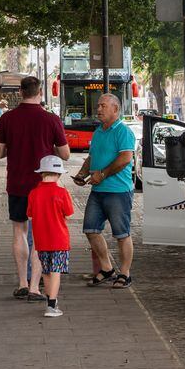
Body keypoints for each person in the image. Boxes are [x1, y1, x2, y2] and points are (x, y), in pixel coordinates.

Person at [0, 76, 70, 300]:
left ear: (20, 91)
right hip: (44, 185)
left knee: (20, 231)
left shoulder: (8, 118)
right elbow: (65, 154)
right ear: (40, 91)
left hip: (17, 183)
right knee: (39, 235)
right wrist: (47, 147)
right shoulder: (51, 119)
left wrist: (16, 146)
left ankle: (22, 283)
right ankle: (36, 287)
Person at [73, 94, 135, 289]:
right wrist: (82, 173)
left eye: (103, 106)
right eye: (98, 105)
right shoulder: (99, 132)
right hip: (98, 190)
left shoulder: (123, 131)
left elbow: (125, 158)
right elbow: (92, 157)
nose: (98, 109)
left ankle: (125, 273)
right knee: (91, 230)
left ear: (115, 109)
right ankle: (107, 268)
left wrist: (103, 174)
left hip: (118, 191)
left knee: (121, 233)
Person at [27, 155, 74, 318]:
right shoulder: (62, 192)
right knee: (56, 272)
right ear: (59, 174)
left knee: (46, 272)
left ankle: (50, 301)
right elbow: (68, 214)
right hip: (59, 240)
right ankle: (52, 305)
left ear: (41, 173)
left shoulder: (34, 193)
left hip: (41, 241)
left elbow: (30, 215)